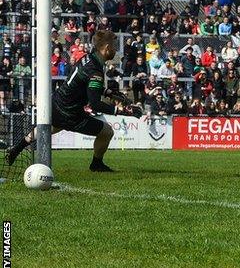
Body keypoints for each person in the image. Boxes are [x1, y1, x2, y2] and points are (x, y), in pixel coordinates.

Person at [4, 30, 139, 172]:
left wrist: (108, 92)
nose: (115, 49)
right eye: (114, 46)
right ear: (106, 48)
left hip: (56, 103)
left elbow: (83, 83)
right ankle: (96, 164)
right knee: (107, 132)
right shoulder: (95, 71)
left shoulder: (87, 58)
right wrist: (124, 111)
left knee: (49, 128)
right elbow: (95, 104)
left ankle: (15, 149)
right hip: (71, 113)